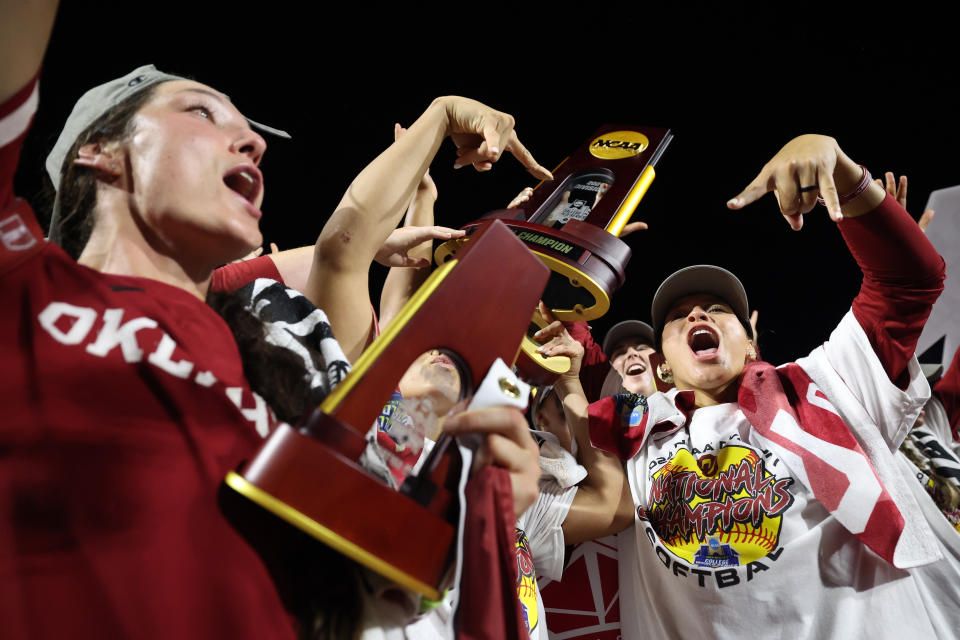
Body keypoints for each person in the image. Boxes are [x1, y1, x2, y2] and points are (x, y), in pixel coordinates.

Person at [0, 4, 549, 638]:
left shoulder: (283, 345)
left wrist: (472, 495)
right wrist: (442, 116)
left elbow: (375, 578)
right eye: (201, 113)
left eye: (247, 127)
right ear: (98, 151)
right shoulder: (25, 289)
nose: (255, 141)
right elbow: (342, 250)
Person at [554, 133, 948, 637]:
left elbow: (908, 284)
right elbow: (570, 337)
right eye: (677, 317)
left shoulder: (823, 386)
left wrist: (841, 171)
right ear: (664, 367)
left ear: (751, 346)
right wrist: (575, 252)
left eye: (720, 310)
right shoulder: (636, 426)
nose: (697, 312)